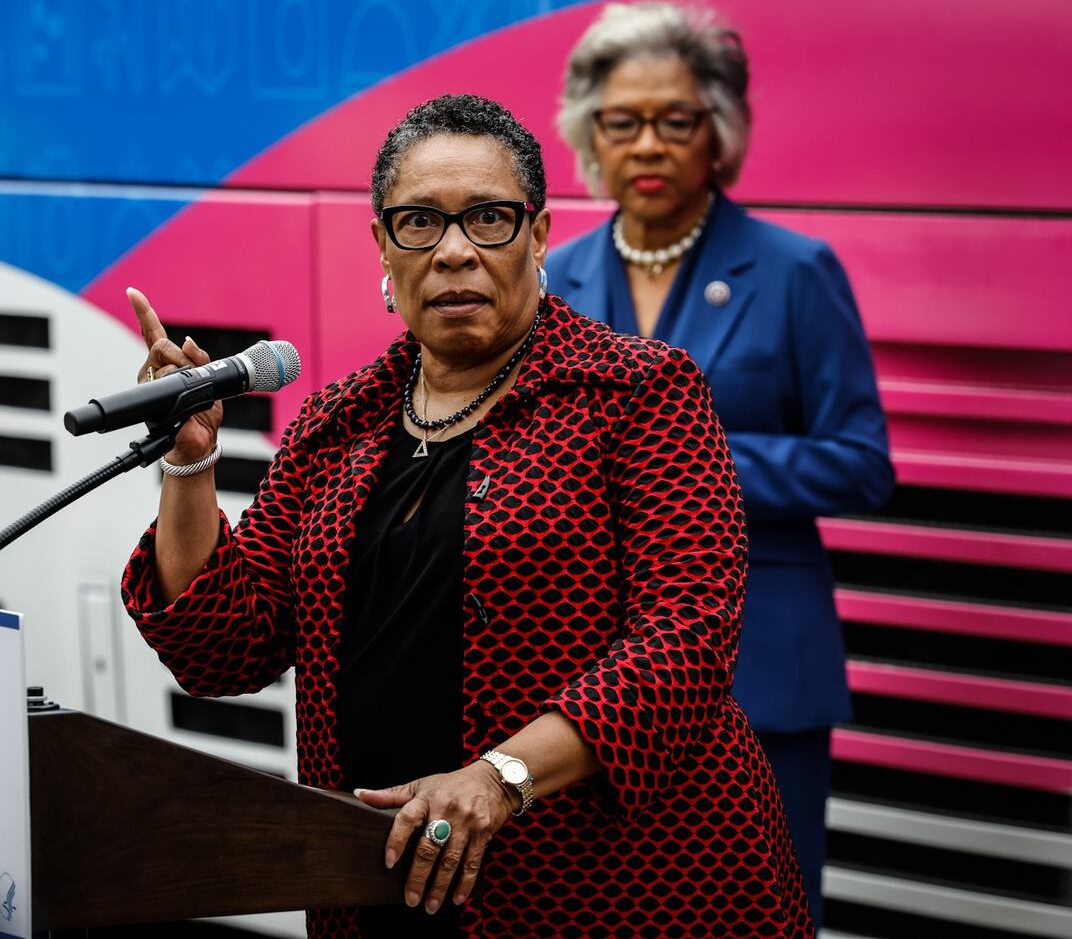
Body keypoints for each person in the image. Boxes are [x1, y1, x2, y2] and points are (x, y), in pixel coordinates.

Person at [120, 94, 812, 937]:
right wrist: (190, 461)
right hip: (377, 881)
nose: (454, 251)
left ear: (539, 233)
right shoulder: (338, 423)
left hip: (620, 892)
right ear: (382, 242)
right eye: (419, 222)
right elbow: (221, 646)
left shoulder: (637, 392)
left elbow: (687, 637)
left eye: (488, 219)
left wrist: (501, 777)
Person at [547, 0, 895, 924]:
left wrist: (687, 461)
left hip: (762, 676)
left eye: (677, 120)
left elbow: (863, 464)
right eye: (623, 122)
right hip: (591, 679)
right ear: (591, 134)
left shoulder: (795, 270)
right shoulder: (556, 278)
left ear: (720, 134)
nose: (649, 144)